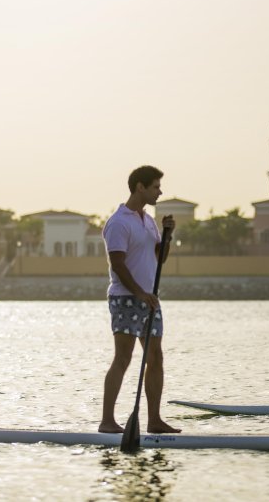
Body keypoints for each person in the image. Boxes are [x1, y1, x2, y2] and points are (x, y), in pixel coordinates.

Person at [98, 165, 180, 434]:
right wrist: (138, 293)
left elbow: (160, 258)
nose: (160, 192)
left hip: (149, 299)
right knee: (123, 358)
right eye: (155, 187)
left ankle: (154, 421)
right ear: (140, 187)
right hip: (125, 298)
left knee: (155, 357)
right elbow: (117, 264)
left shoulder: (148, 221)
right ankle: (107, 421)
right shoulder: (119, 222)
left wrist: (167, 235)